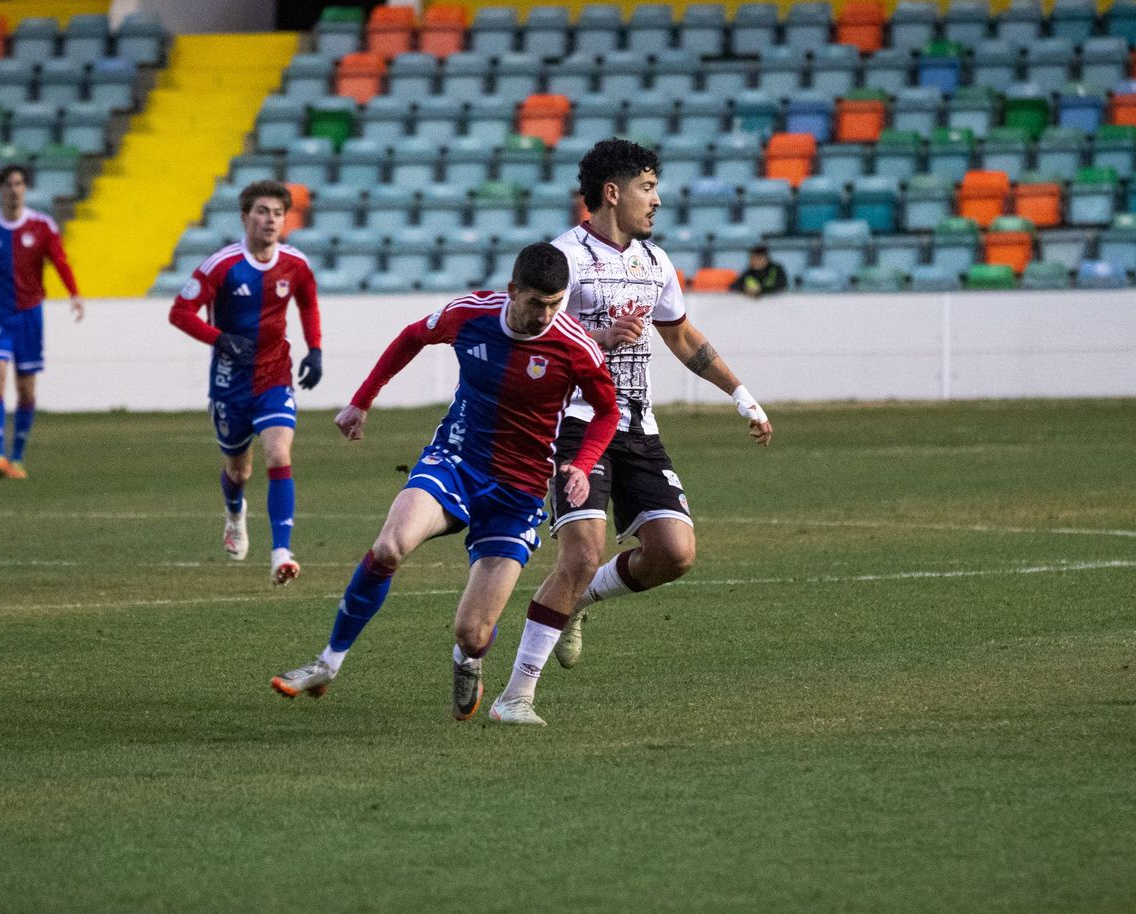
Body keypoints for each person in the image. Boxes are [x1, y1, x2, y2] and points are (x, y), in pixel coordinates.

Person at [270, 243, 619, 726]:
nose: (545, 316)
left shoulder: (576, 346)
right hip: (454, 461)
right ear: (513, 290)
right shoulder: (470, 314)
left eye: (556, 304)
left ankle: (468, 660)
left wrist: (582, 463)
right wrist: (361, 402)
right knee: (389, 547)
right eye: (537, 303)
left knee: (473, 633)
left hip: (517, 493)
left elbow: (607, 411)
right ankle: (327, 663)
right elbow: (411, 338)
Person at [489, 138, 774, 723]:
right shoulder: (562, 258)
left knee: (674, 553)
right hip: (573, 423)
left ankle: (581, 600)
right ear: (613, 193)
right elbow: (531, 341)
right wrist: (599, 340)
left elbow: (682, 336)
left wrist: (741, 394)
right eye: (648, 188)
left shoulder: (655, 262)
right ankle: (515, 697)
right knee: (581, 553)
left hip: (637, 423)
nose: (657, 200)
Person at [168, 180, 322, 585]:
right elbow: (180, 312)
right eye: (262, 211)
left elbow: (308, 301)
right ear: (245, 217)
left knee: (278, 454)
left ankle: (281, 553)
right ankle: (235, 513)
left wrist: (315, 349)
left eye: (278, 213)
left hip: (275, 376)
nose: (270, 220)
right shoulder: (221, 265)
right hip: (229, 384)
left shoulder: (296, 264)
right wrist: (220, 339)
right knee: (239, 470)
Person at [0, 165, 84, 479]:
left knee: (25, 389)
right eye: (8, 184)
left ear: (25, 188)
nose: (14, 190)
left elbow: (60, 260)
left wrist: (75, 294)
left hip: (30, 315)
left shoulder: (42, 225)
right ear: (0, 189)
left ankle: (16, 458)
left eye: (19, 184)